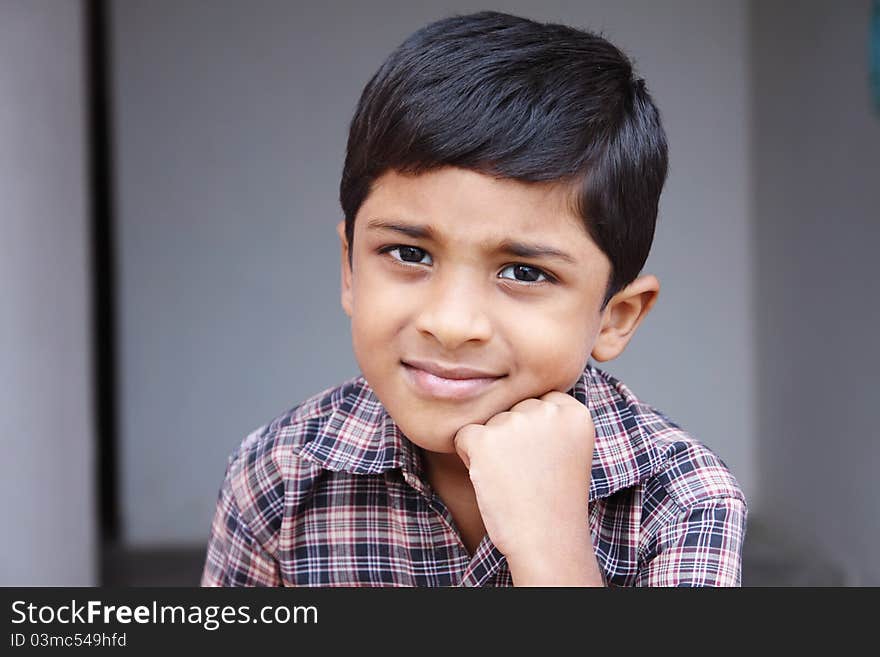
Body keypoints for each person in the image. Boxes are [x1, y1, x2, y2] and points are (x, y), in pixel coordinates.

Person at [201, 10, 747, 587]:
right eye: (409, 254)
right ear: (349, 270)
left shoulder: (683, 501)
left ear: (615, 317)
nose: (452, 323)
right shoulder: (279, 477)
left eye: (523, 271)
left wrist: (551, 545)